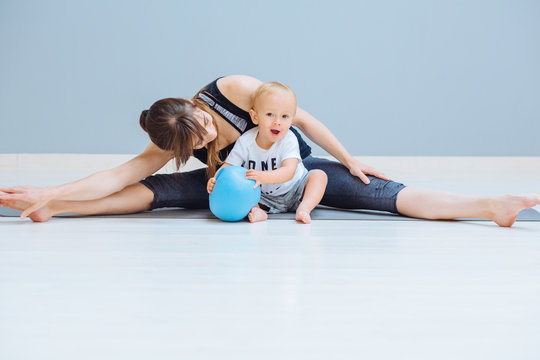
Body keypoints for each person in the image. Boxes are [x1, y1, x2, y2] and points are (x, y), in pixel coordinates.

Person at [0, 75, 538, 227]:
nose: (208, 142)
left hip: (297, 175)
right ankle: (49, 209)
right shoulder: (173, 141)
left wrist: (348, 160)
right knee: (153, 191)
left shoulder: (232, 89)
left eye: (207, 131)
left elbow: (296, 114)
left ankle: (491, 205)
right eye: (196, 147)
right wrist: (53, 193)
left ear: (198, 108)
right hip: (235, 189)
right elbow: (119, 175)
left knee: (386, 194)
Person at [207, 82, 327, 224]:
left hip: (296, 189)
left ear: (292, 120)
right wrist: (216, 180)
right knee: (242, 194)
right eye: (270, 114)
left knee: (319, 176)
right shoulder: (246, 141)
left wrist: (263, 176)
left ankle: (305, 208)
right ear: (255, 117)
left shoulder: (289, 139)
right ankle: (259, 211)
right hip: (262, 197)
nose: (277, 122)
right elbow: (228, 166)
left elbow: (289, 171)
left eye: (285, 116)